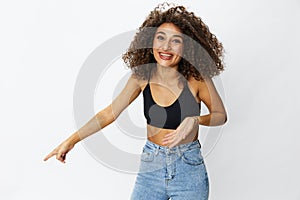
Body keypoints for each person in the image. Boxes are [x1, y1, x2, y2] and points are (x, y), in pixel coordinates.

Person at [44, 3, 227, 200]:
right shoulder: (141, 77)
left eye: (175, 41)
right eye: (160, 38)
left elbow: (220, 115)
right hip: (151, 167)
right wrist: (71, 141)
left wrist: (195, 119)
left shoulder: (198, 80)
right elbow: (109, 113)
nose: (166, 47)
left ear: (187, 46)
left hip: (188, 170)